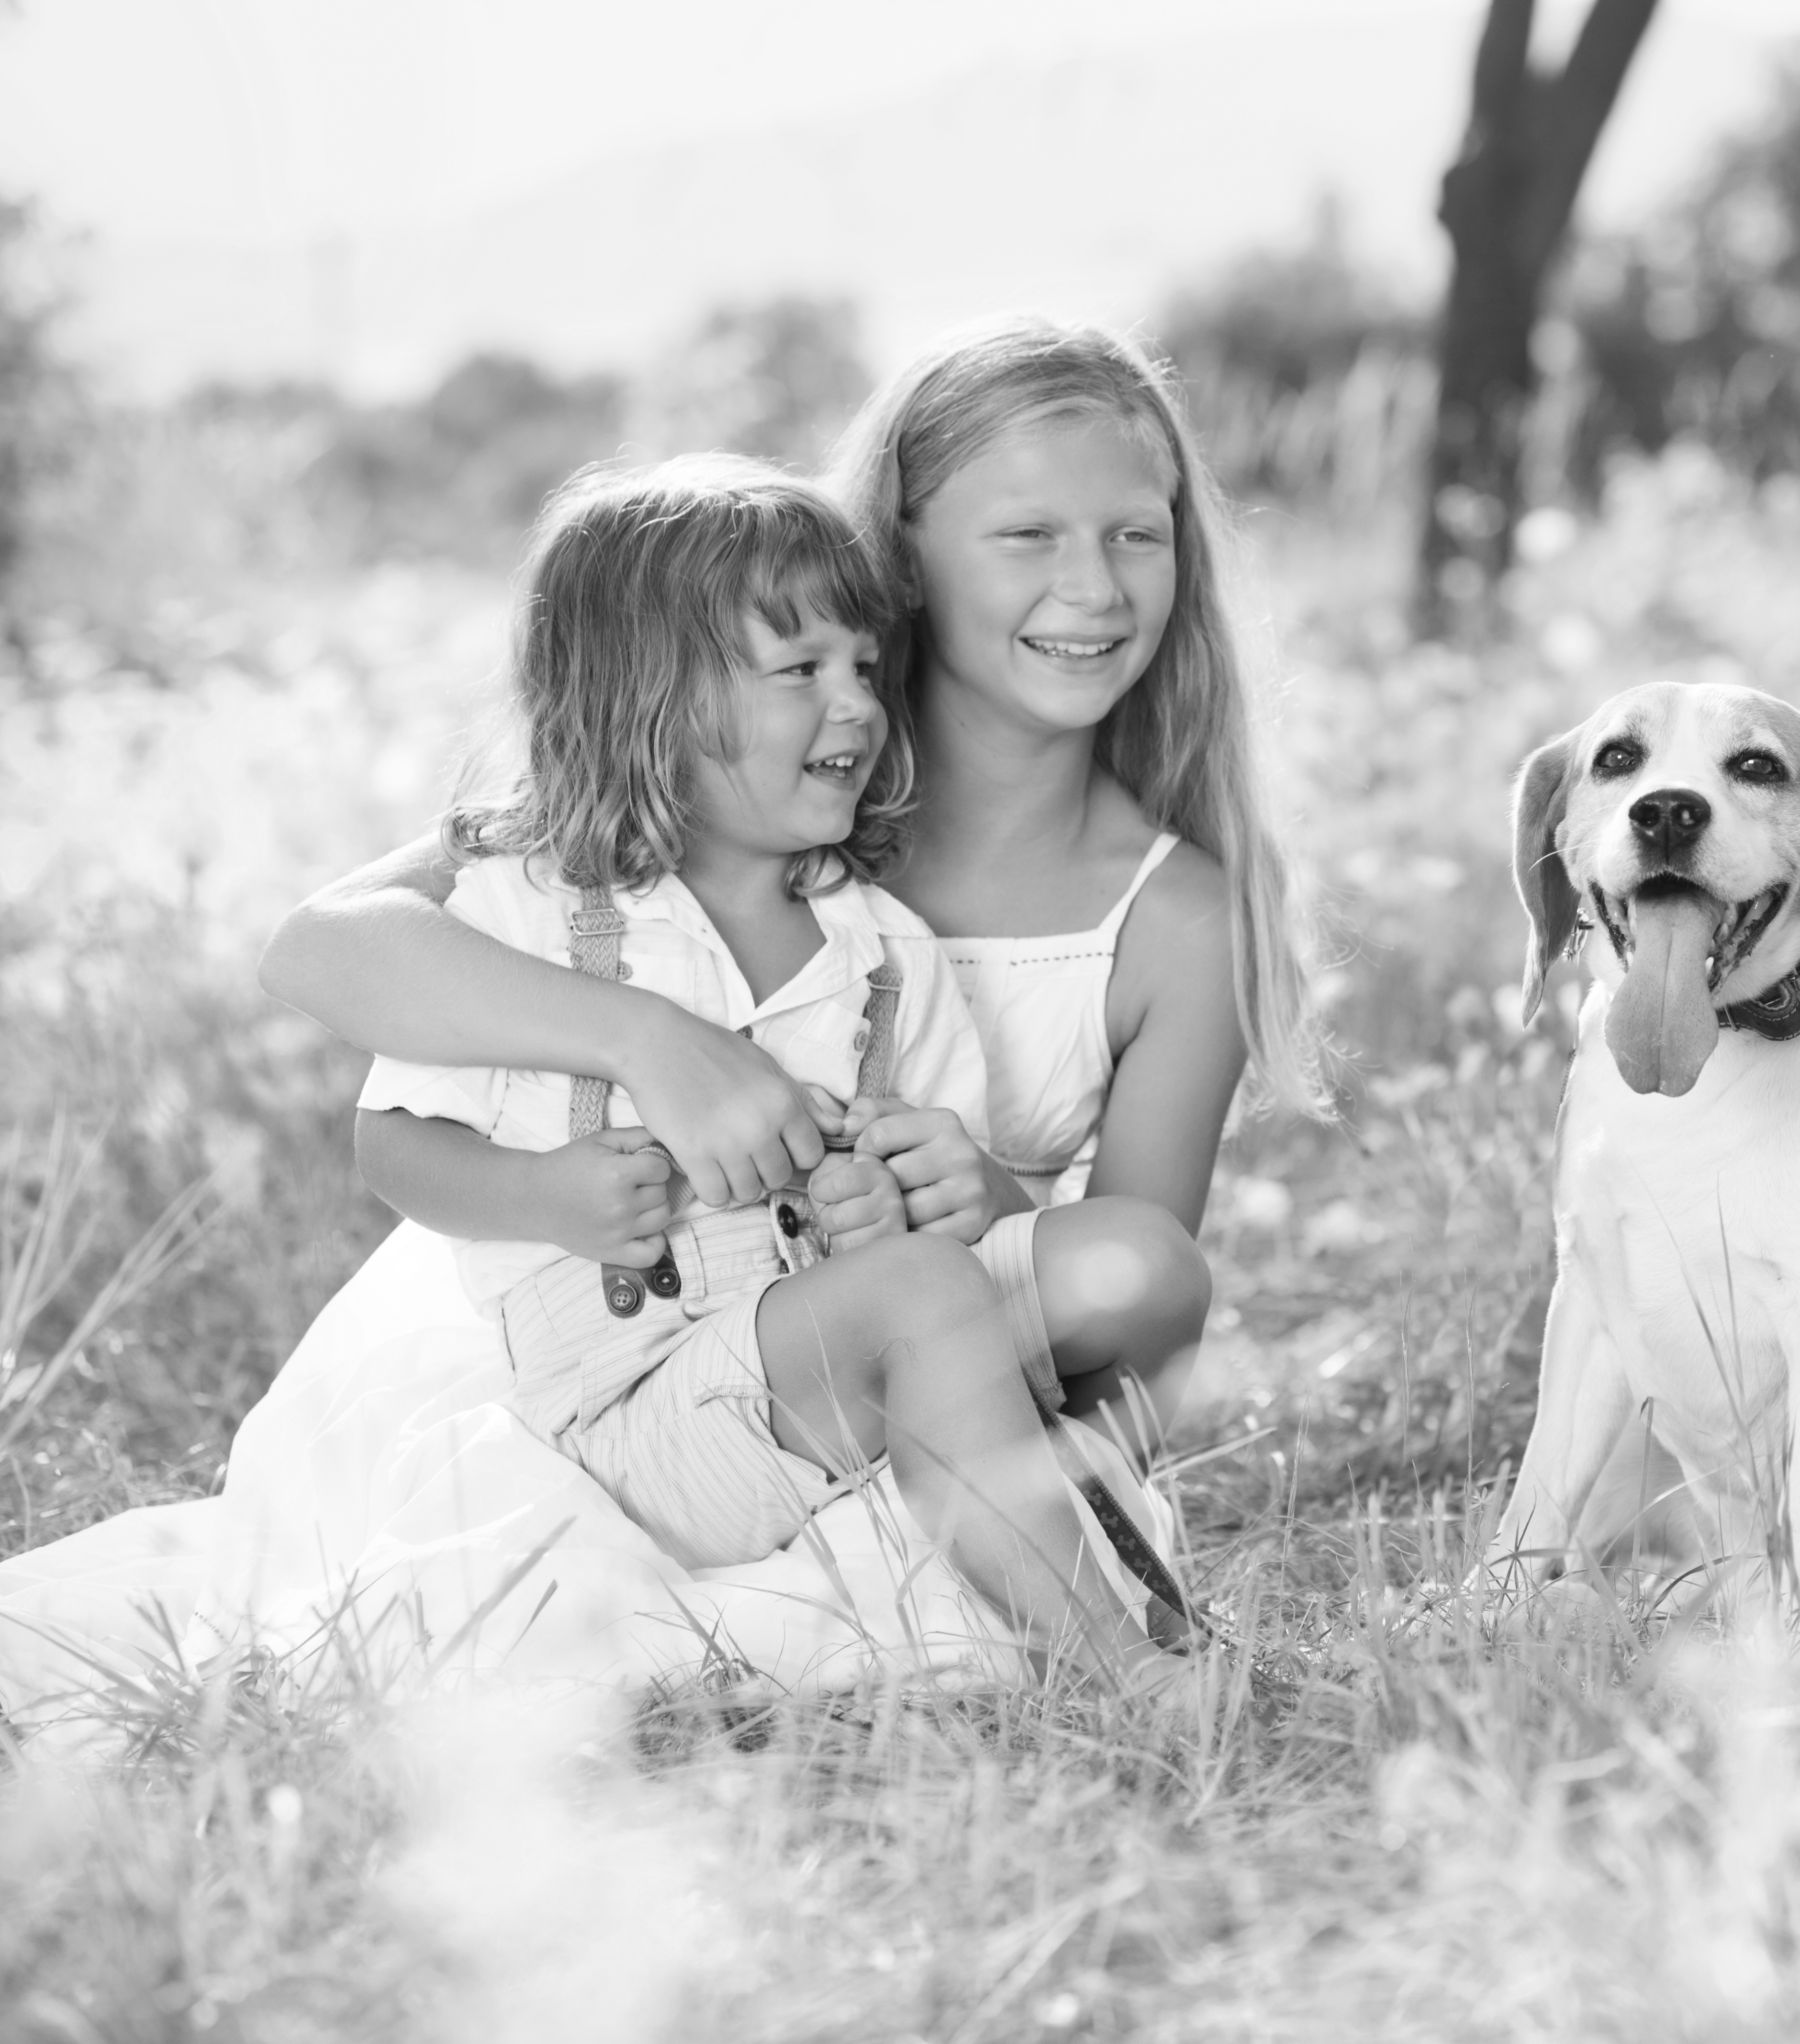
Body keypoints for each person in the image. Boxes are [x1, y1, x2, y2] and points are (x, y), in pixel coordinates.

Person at [261, 317, 1321, 1487]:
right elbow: (319, 951)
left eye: (1138, 535)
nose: (1094, 588)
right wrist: (653, 1042)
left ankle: (995, 1528)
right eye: (1026, 534)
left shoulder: (1175, 917)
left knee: (1128, 1265)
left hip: (900, 1350)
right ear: (902, 561)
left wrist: (980, 1196)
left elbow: (1132, 1325)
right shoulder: (735, 775)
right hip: (615, 1321)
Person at [349, 453, 1185, 1685]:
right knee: (920, 1303)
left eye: (861, 669)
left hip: (807, 1389)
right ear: (648, 701)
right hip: (632, 1412)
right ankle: (1126, 1664)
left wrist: (896, 1202)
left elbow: (938, 1215)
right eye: (800, 673)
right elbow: (390, 1142)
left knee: (1047, 1277)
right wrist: (546, 1200)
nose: (854, 705)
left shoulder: (883, 953)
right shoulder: (528, 916)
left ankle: (1074, 1565)